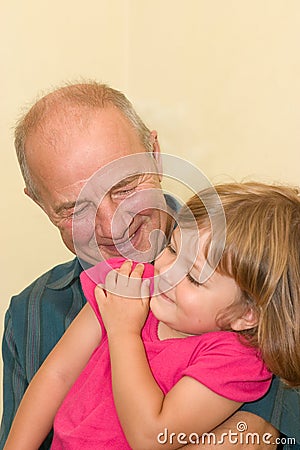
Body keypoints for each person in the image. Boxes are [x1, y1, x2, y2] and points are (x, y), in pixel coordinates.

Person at [0, 81, 297, 449]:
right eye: (75, 208)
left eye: (125, 186)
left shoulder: (261, 298)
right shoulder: (30, 315)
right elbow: (51, 383)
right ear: (40, 205)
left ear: (155, 154)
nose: (114, 225)